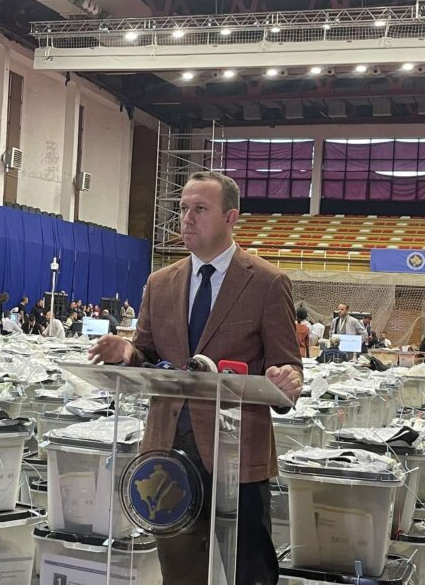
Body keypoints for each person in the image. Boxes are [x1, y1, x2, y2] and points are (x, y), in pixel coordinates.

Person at [88, 170, 302, 585]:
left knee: (250, 573)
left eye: (200, 209)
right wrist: (128, 353)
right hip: (168, 453)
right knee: (179, 571)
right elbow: (148, 353)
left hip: (237, 458)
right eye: (183, 208)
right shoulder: (160, 283)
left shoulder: (267, 282)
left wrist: (286, 378)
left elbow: (288, 366)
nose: (186, 218)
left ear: (231, 217)